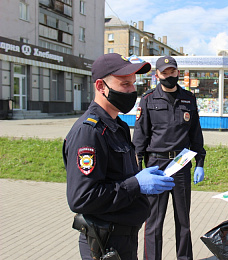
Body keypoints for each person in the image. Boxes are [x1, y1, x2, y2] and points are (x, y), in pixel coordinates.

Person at [63, 53, 175, 260]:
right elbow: (82, 197)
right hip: (104, 242)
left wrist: (140, 177)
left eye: (133, 84)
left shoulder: (118, 126)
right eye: (125, 84)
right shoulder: (89, 132)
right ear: (100, 86)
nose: (132, 91)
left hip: (123, 238)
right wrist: (136, 185)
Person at [132, 56, 206, 260]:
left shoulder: (189, 99)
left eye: (172, 72)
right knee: (153, 222)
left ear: (177, 73)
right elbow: (140, 137)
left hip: (181, 165)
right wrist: (137, 170)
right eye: (164, 73)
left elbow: (195, 135)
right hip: (156, 166)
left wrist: (200, 162)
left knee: (183, 221)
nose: (169, 76)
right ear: (157, 75)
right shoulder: (148, 100)